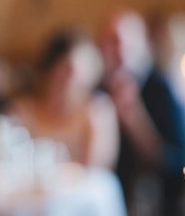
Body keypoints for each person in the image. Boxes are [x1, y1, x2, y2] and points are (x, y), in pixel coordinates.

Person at [98, 9, 185, 216]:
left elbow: (176, 162)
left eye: (127, 42)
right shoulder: (97, 91)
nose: (120, 51)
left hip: (156, 209)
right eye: (112, 42)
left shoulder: (159, 88)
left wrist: (135, 119)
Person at [10, 28, 118, 166]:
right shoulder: (22, 111)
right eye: (60, 70)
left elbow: (96, 171)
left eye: (71, 71)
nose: (65, 80)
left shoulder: (97, 113)